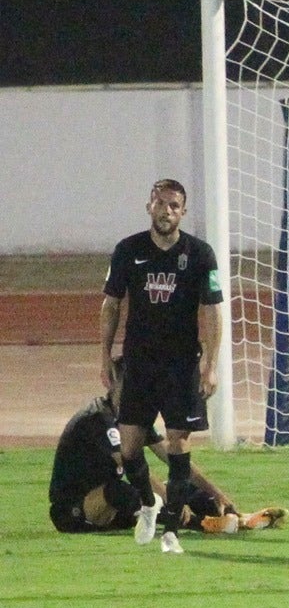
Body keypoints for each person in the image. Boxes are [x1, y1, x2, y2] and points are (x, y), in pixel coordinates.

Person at [99, 178, 223, 553]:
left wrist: (211, 365)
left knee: (178, 443)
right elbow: (111, 305)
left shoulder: (200, 254)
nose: (166, 210)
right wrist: (104, 356)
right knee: (131, 447)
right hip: (138, 363)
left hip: (182, 364)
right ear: (148, 206)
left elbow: (212, 310)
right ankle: (148, 502)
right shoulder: (127, 250)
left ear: (183, 212)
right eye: (160, 203)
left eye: (174, 205)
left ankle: (171, 531)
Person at [50, 358, 287, 535]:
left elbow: (174, 458)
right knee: (123, 490)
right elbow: (132, 466)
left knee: (179, 484)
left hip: (113, 511)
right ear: (113, 385)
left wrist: (219, 494)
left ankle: (235, 517)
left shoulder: (133, 418)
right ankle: (202, 525)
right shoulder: (97, 419)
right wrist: (170, 500)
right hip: (73, 511)